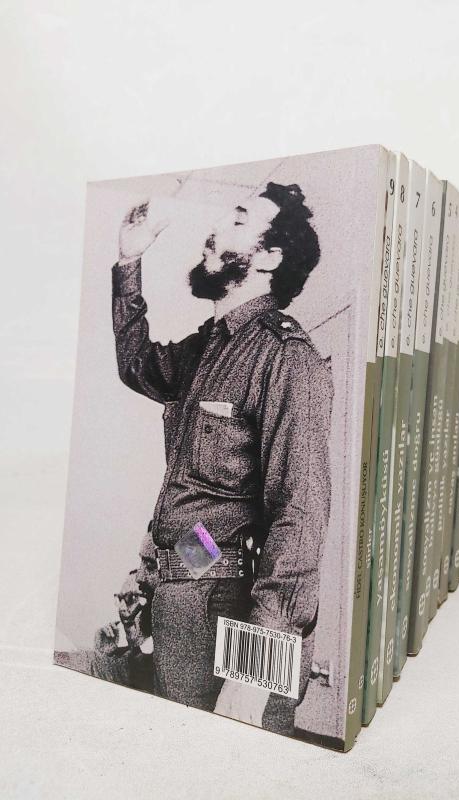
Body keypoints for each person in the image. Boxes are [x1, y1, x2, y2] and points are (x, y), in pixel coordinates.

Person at [111, 182, 333, 733]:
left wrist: (257, 668)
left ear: (269, 257)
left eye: (236, 221)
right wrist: (129, 261)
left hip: (237, 621)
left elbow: (299, 513)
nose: (213, 230)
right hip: (189, 605)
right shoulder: (210, 346)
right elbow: (137, 365)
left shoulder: (288, 358)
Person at [91, 532, 159, 693]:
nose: (122, 608)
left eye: (131, 598)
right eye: (120, 598)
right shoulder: (124, 658)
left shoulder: (165, 660)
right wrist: (103, 654)